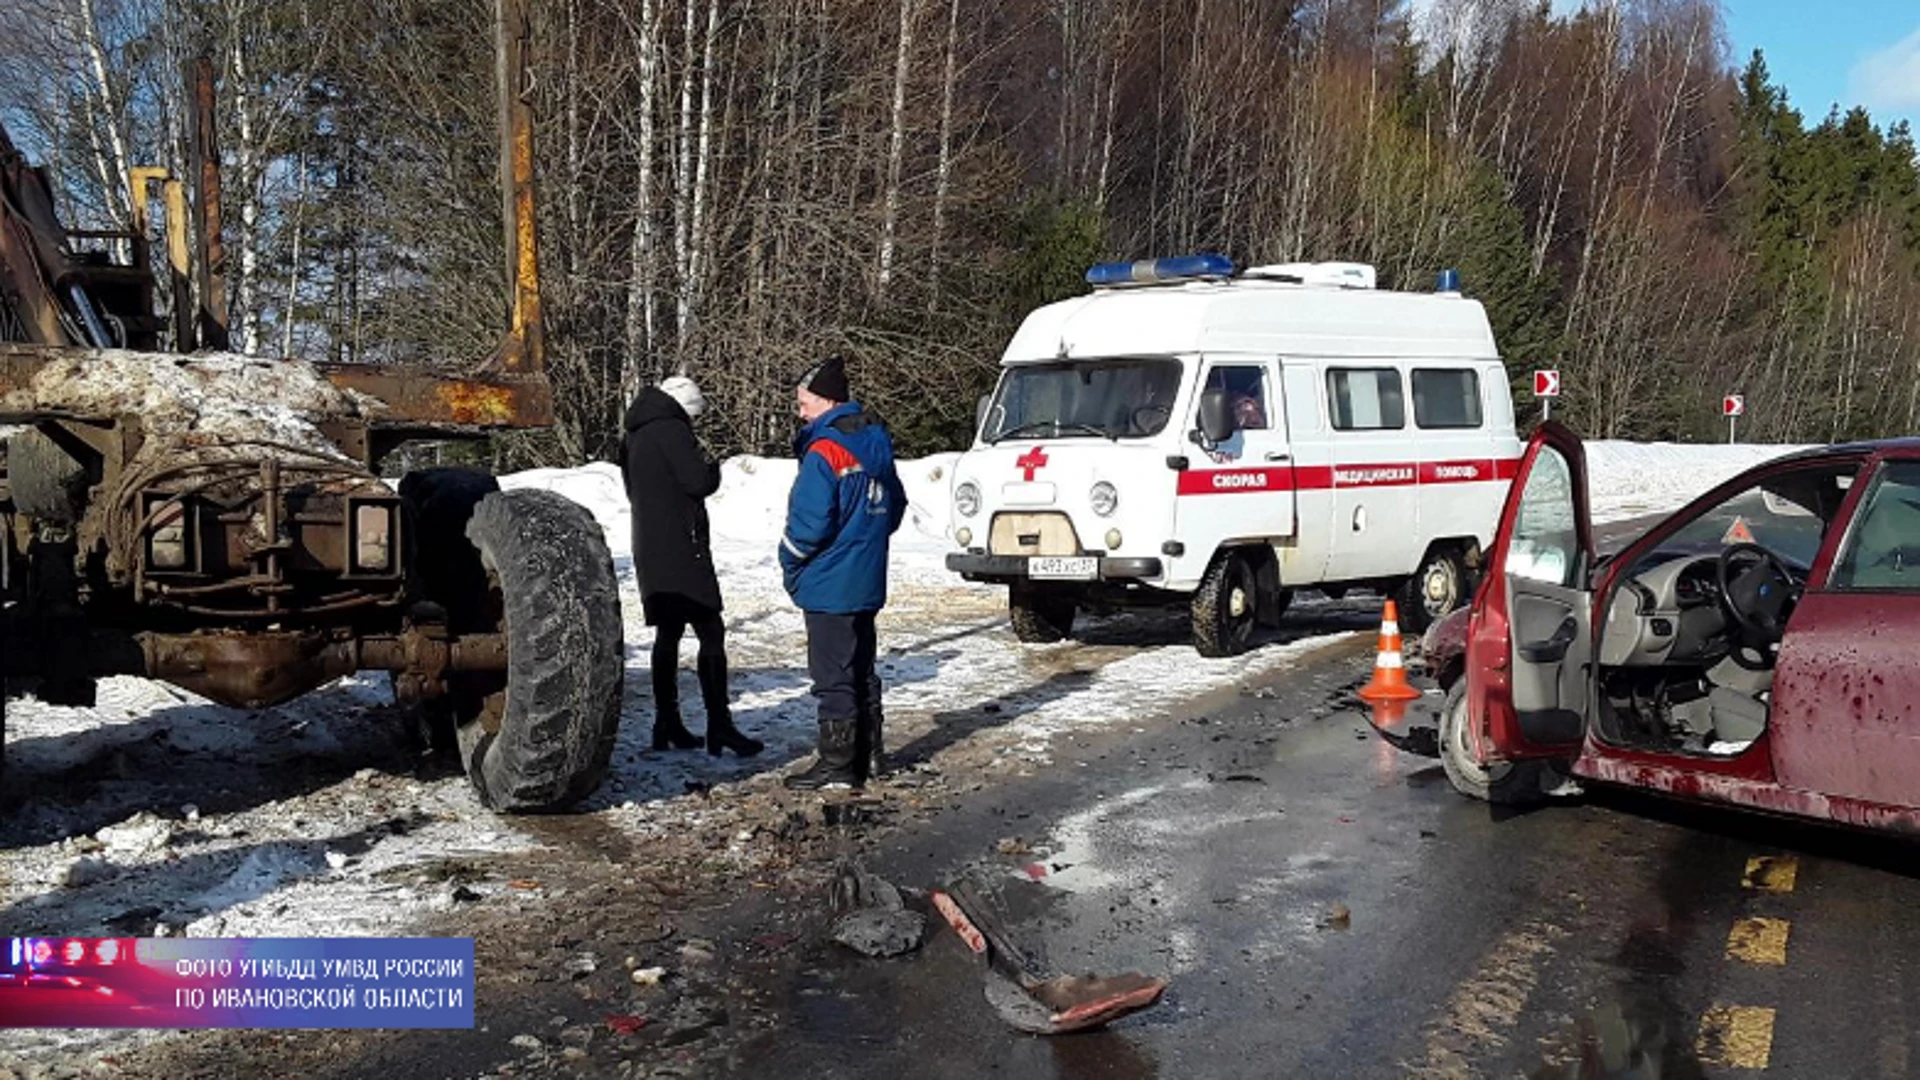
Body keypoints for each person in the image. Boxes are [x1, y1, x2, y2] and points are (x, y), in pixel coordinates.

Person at [778, 356, 908, 790]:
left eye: (804, 403)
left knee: (832, 676)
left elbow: (809, 524)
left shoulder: (825, 450)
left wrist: (789, 559)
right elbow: (896, 505)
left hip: (829, 581)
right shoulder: (876, 442)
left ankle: (837, 763)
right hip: (867, 576)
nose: (800, 412)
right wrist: (869, 540)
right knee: (861, 668)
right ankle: (870, 755)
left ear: (826, 400)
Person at [621, 375, 764, 757]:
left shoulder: (635, 432)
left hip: (650, 544)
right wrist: (715, 469)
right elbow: (697, 481)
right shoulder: (672, 429)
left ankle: (667, 722)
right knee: (710, 631)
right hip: (683, 546)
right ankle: (721, 725)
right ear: (686, 409)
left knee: (668, 633)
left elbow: (633, 490)